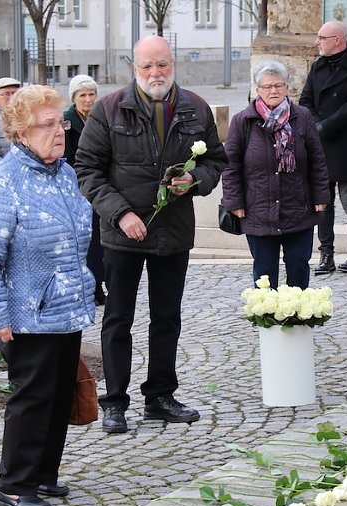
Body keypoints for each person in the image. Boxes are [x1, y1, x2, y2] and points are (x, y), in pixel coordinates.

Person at [76, 35, 227, 434]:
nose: (155, 73)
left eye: (161, 64)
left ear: (172, 62)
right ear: (134, 68)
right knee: (118, 319)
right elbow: (87, 170)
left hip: (173, 232)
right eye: (147, 66)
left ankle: (160, 396)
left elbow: (216, 160)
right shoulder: (109, 109)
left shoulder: (196, 107)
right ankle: (115, 402)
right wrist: (120, 213)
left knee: (166, 319)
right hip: (122, 235)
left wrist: (195, 179)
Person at [0, 85, 95, 506]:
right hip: (27, 315)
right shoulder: (1, 182)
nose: (59, 131)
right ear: (21, 133)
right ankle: (14, 483)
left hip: (66, 308)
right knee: (32, 398)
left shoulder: (65, 173)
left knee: (60, 395)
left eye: (60, 122)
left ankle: (43, 475)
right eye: (47, 125)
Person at [222, 60, 329, 288]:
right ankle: (266, 322)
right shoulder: (243, 121)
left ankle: (298, 320)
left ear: (287, 87)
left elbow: (317, 160)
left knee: (299, 265)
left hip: (297, 208)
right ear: (257, 90)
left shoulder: (302, 117)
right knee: (264, 273)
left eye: (278, 85)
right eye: (267, 86)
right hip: (258, 209)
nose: (274, 91)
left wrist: (321, 196)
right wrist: (234, 201)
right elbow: (231, 166)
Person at [300, 20, 347, 274]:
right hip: (320, 142)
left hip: (345, 141)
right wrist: (316, 126)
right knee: (323, 201)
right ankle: (325, 254)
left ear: (337, 40)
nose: (317, 41)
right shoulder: (318, 66)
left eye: (322, 37)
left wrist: (324, 126)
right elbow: (305, 100)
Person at [64, 74, 106, 306]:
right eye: (83, 95)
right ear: (74, 98)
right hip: (79, 188)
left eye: (91, 94)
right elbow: (66, 158)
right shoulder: (67, 122)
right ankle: (92, 286)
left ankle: (100, 283)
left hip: (102, 185)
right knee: (87, 240)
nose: (88, 99)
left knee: (100, 239)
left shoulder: (101, 117)